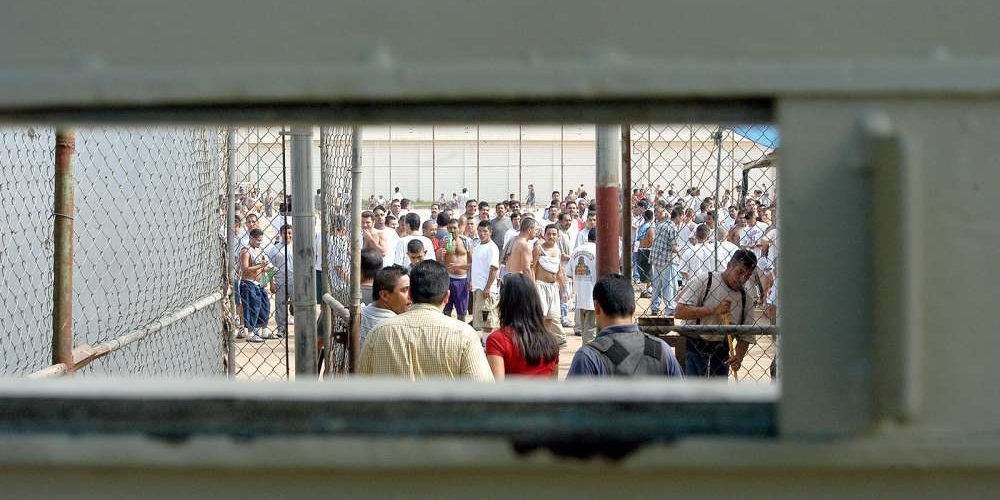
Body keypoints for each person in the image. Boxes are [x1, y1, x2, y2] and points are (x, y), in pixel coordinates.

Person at [359, 261, 493, 380]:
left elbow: (361, 384)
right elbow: (484, 394)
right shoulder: (465, 335)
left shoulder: (379, 332)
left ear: (410, 294)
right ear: (447, 296)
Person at [567, 274, 683, 377]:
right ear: (633, 309)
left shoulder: (588, 358)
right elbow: (682, 398)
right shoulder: (662, 350)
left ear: (597, 308)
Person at [674, 249, 759, 378]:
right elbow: (680, 312)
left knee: (717, 396)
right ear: (729, 265)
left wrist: (738, 357)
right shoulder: (705, 280)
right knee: (689, 395)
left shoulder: (746, 299)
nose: (742, 279)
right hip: (692, 347)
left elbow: (745, 336)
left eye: (747, 276)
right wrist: (713, 310)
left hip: (721, 353)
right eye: (740, 272)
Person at [485, 273, 560, 379]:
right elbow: (554, 385)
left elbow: (497, 388)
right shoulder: (551, 341)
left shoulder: (497, 340)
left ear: (505, 302)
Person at [533, 223, 568, 347]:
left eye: (554, 234)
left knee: (550, 317)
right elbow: (532, 268)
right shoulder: (538, 248)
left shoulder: (558, 250)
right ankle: (537, 342)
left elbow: (559, 271)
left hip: (553, 287)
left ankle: (545, 341)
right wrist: (532, 286)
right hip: (540, 286)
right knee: (540, 316)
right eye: (549, 234)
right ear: (544, 234)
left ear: (558, 236)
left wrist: (564, 289)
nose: (551, 236)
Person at [359, 265, 410, 348]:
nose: (410, 296)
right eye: (404, 290)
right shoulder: (397, 327)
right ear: (384, 295)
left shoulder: (361, 312)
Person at [238, 228, 273, 342]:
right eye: (258, 240)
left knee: (264, 306)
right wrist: (260, 265)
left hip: (259, 283)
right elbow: (245, 269)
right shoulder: (245, 251)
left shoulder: (259, 250)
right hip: (248, 283)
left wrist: (266, 269)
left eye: (261, 240)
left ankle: (263, 331)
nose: (259, 242)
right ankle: (250, 333)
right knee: (251, 308)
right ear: (251, 238)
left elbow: (265, 267)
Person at [649, 204, 681, 316]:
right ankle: (669, 308)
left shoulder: (661, 224)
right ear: (679, 217)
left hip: (656, 258)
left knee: (656, 285)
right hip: (666, 260)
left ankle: (654, 307)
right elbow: (673, 247)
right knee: (668, 285)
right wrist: (681, 253)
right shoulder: (672, 227)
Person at [470, 221, 501, 338]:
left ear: (490, 232)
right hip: (477, 287)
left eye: (485, 231)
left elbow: (494, 268)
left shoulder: (492, 248)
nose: (482, 234)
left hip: (486, 289)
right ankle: (485, 342)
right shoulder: (478, 245)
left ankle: (487, 344)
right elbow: (476, 265)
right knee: (481, 319)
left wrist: (487, 287)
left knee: (487, 318)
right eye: (480, 231)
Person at [569, 227, 598, 344]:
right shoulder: (598, 250)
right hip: (594, 294)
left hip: (580, 296)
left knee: (586, 329)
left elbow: (569, 273)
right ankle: (589, 355)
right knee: (591, 330)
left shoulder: (576, 250)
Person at [265, 224, 293, 337]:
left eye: (290, 233)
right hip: (280, 281)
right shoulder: (274, 249)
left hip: (295, 281)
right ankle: (281, 329)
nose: (287, 235)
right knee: (280, 306)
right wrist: (270, 283)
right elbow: (270, 267)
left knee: (297, 305)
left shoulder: (297, 247)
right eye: (285, 233)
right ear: (281, 234)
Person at [441, 217, 472, 319]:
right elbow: (440, 262)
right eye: (449, 228)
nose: (452, 230)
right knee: (446, 311)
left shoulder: (466, 241)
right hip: (447, 279)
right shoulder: (444, 241)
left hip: (462, 279)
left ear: (459, 228)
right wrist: (440, 254)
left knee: (462, 313)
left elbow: (473, 263)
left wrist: (471, 279)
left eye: (454, 228)